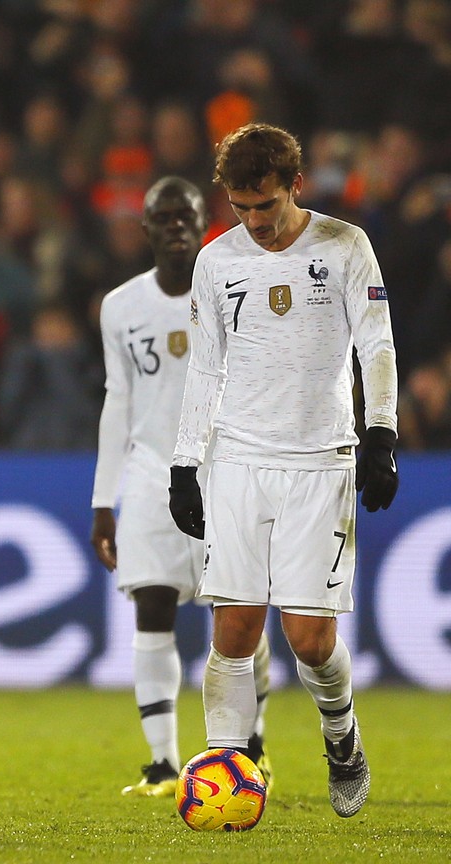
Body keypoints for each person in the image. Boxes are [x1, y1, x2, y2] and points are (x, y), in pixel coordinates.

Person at [169, 124, 398, 819]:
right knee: (233, 632)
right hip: (237, 456)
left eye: (263, 205)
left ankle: (340, 734)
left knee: (310, 642)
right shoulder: (217, 261)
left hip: (319, 459)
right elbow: (205, 365)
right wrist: (185, 463)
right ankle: (225, 774)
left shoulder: (345, 245)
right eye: (240, 208)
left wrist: (381, 433)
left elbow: (376, 344)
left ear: (295, 185)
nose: (253, 221)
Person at [91, 177, 273, 797]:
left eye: (185, 216)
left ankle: (253, 746)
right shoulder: (119, 307)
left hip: (227, 469)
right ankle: (163, 763)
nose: (175, 226)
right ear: (145, 230)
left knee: (241, 617)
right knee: (153, 606)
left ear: (205, 223)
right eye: (162, 218)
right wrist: (101, 501)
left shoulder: (233, 286)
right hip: (148, 474)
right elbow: (118, 402)